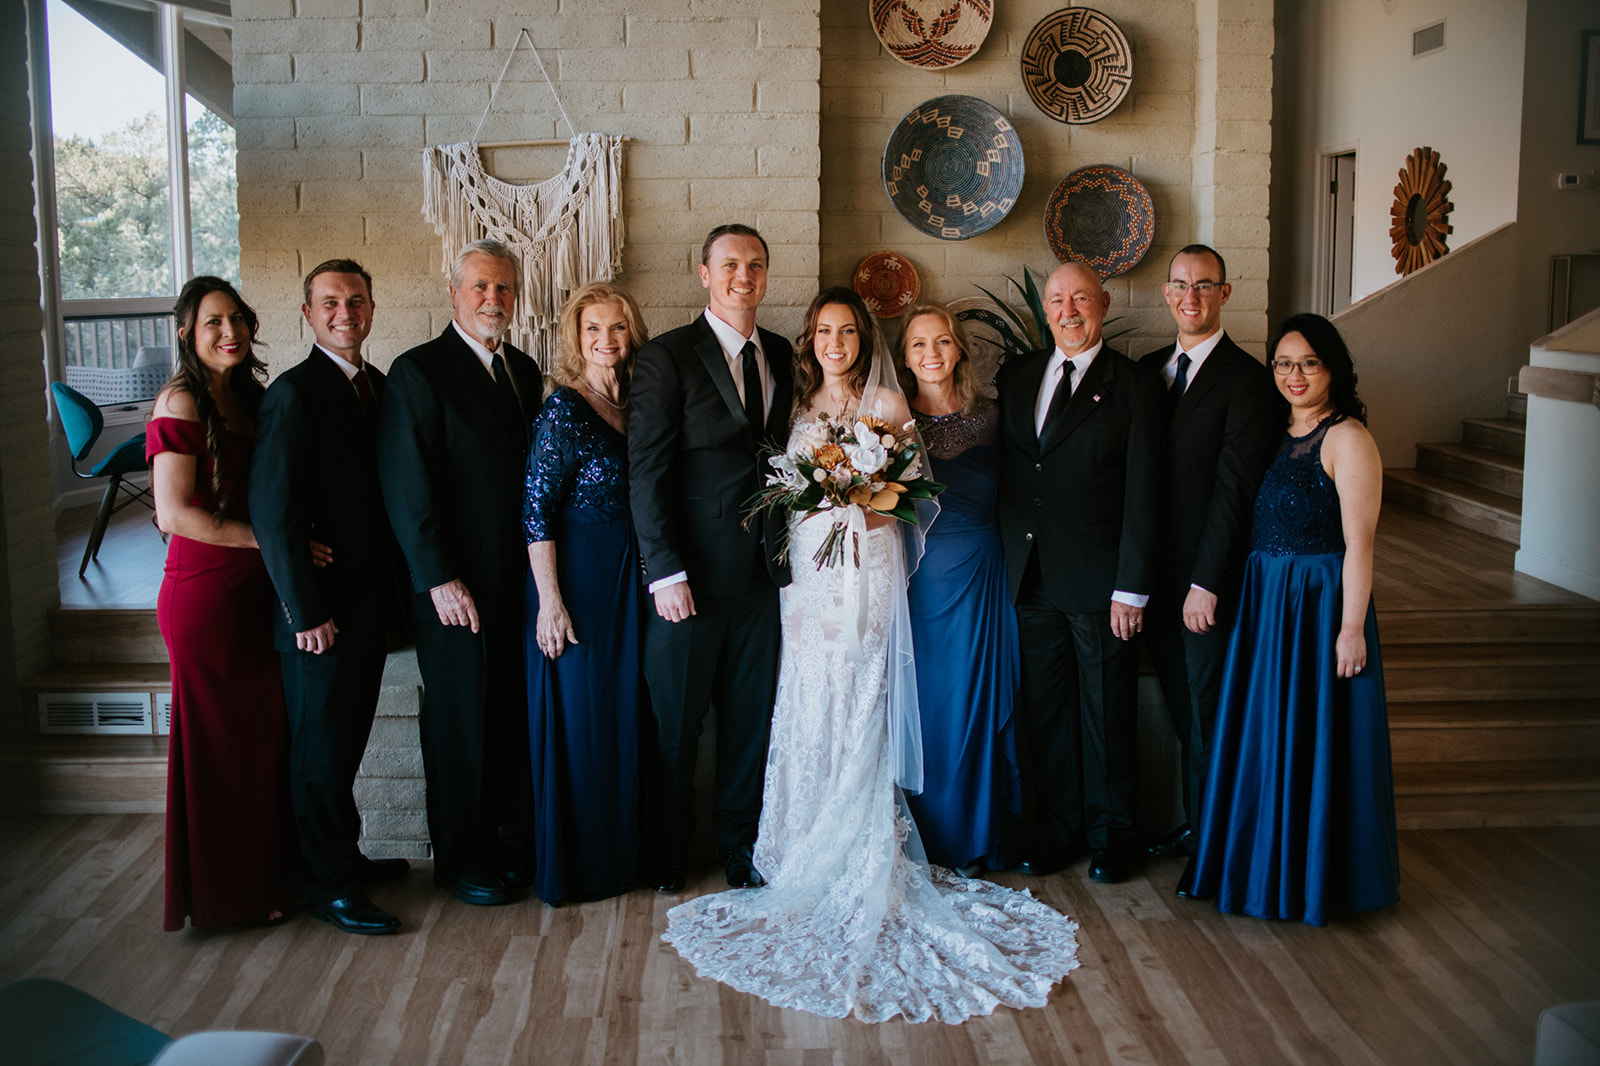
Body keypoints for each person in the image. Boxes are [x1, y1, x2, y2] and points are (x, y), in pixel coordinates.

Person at [663, 288, 1080, 1025]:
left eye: (848, 331)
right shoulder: (792, 409)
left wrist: (859, 498)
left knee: (864, 693)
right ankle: (799, 838)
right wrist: (819, 498)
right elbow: (778, 495)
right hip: (810, 580)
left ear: (863, 339)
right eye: (824, 331)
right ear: (810, 341)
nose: (836, 342)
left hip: (870, 567)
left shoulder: (888, 404)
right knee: (809, 692)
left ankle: (862, 842)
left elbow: (915, 499)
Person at [1183, 314, 1400, 925]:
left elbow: (1360, 545)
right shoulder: (1274, 432)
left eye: (1308, 363)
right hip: (1265, 606)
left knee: (1316, 739)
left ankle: (1314, 878)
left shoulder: (1348, 438)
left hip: (1319, 607)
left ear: (1333, 368)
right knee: (1265, 738)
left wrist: (1350, 629)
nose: (1294, 375)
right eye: (1283, 363)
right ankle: (1262, 869)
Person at [376, 238, 543, 907]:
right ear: (454, 294)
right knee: (458, 721)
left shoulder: (523, 369)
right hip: (453, 588)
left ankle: (505, 843)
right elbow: (406, 486)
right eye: (480, 287)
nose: (492, 299)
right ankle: (459, 858)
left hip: (515, 583)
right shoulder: (418, 371)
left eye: (503, 288)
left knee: (505, 715)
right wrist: (438, 577)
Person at [627, 224, 793, 893]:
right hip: (688, 579)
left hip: (764, 577)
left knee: (750, 722)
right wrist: (664, 571)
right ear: (704, 274)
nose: (742, 276)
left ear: (766, 274)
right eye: (729, 265)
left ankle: (740, 849)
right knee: (676, 722)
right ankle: (667, 853)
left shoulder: (781, 353)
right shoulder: (666, 357)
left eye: (755, 264)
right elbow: (647, 473)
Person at [250, 259, 409, 936]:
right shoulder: (294, 394)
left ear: (372, 308)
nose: (346, 313)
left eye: (357, 301)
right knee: (319, 756)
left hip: (366, 610)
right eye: (331, 303)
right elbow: (273, 514)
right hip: (317, 618)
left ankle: (346, 856)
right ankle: (328, 886)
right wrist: (306, 611)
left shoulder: (378, 386)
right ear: (309, 314)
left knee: (345, 748)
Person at [996, 261, 1163, 885]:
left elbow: (1145, 493)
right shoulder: (1017, 377)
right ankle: (1058, 831)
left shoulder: (1135, 385)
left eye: (1081, 299)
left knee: (1106, 713)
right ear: (1044, 308)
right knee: (1047, 712)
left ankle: (1112, 836)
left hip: (1102, 586)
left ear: (1104, 304)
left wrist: (1132, 587)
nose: (1068, 311)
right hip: (1032, 578)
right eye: (1057, 300)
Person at [148, 276, 300, 930]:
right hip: (205, 596)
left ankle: (270, 878)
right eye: (214, 321)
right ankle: (225, 899)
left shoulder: (245, 396)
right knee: (220, 749)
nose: (229, 332)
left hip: (255, 591)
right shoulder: (180, 401)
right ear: (187, 332)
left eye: (237, 318)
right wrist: (275, 542)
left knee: (261, 740)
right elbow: (173, 514)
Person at [1137, 246, 1281, 865]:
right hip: (1154, 582)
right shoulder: (1147, 371)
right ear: (1167, 294)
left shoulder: (1248, 381)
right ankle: (1201, 830)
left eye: (1203, 285)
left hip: (1204, 587)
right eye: (1180, 285)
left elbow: (1235, 493)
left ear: (1224, 294)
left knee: (1207, 718)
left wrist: (1207, 582)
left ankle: (1217, 849)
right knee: (1181, 712)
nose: (1190, 296)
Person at [523, 282, 651, 905]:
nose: (606, 339)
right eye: (593, 328)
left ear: (632, 334)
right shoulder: (563, 409)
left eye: (617, 327)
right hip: (578, 580)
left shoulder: (638, 403)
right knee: (583, 718)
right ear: (577, 338)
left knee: (626, 715)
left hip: (632, 579)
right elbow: (536, 512)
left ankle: (625, 857)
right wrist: (550, 601)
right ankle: (582, 866)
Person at [896, 304, 1020, 874]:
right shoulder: (890, 424)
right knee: (925, 706)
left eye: (942, 342)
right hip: (918, 585)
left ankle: (974, 835)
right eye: (919, 344)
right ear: (904, 357)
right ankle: (924, 839)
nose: (932, 354)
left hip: (981, 578)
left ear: (959, 350)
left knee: (974, 703)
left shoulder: (993, 417)